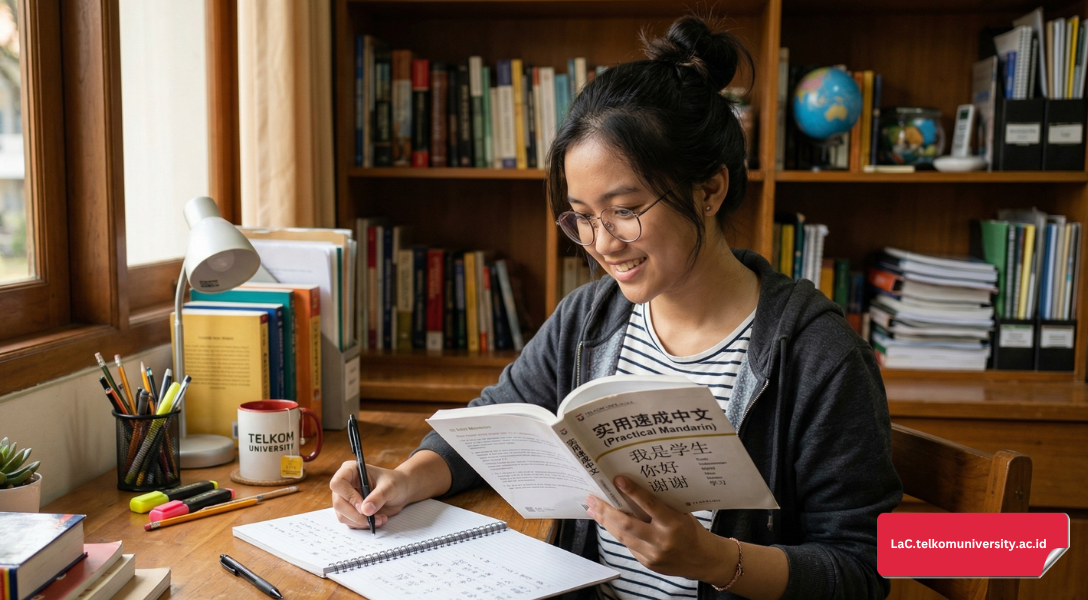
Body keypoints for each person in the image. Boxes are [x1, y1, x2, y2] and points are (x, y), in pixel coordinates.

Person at [331, 15, 902, 600]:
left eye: (625, 209)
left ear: (710, 190)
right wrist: (402, 480)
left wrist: (716, 560)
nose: (602, 243)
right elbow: (492, 425)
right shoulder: (590, 319)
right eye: (581, 215)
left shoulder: (818, 357)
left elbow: (861, 571)